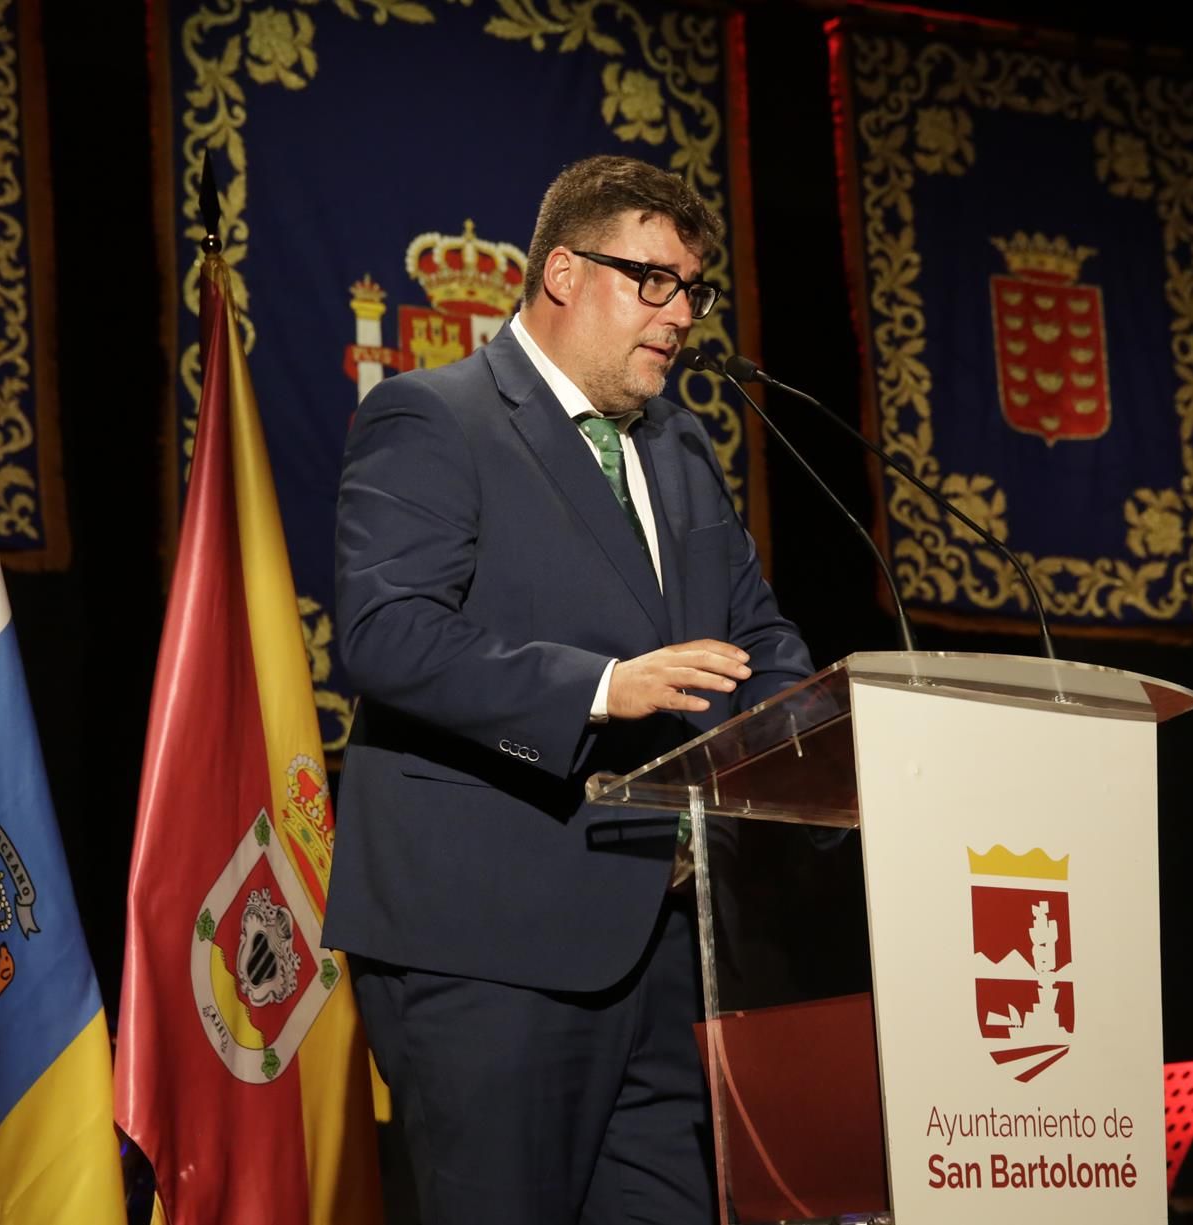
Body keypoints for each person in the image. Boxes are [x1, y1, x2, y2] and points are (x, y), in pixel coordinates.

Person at [322, 155, 814, 1225]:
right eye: (652, 279)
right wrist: (599, 687)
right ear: (559, 271)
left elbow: (756, 638)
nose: (680, 313)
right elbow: (387, 631)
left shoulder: (680, 448)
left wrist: (833, 730)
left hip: (670, 946)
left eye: (693, 288)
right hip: (490, 950)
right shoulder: (432, 416)